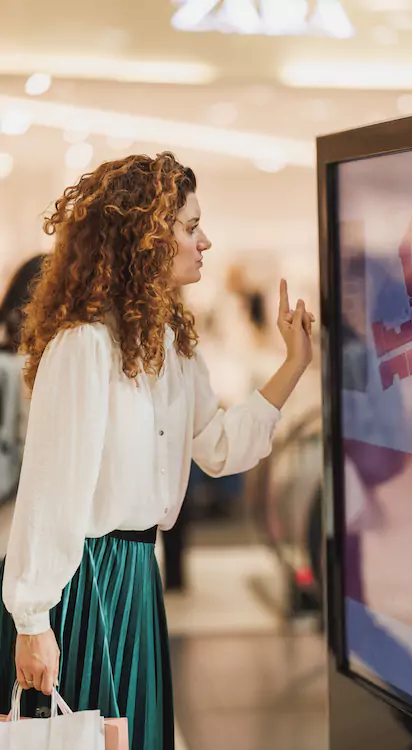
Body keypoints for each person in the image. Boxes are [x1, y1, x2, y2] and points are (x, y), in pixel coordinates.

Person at [0, 151, 314, 749]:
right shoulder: (83, 346)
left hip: (137, 575)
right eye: (191, 228)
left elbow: (217, 447)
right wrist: (32, 619)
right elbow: (51, 489)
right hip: (85, 581)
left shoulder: (167, 344)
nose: (206, 243)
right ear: (145, 240)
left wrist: (294, 365)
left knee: (133, 734)